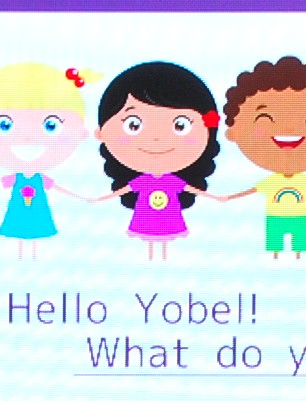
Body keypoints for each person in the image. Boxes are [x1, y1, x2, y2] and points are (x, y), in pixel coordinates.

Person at [218, 56, 306, 259]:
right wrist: (228, 198)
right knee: (275, 243)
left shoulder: (304, 181)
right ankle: (277, 259)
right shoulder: (272, 181)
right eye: (264, 119)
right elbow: (250, 191)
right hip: (275, 218)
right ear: (233, 133)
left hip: (300, 219)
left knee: (299, 243)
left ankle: (297, 259)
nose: (289, 128)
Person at [0, 62, 101, 260]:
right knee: (21, 232)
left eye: (51, 125)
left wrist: (83, 198)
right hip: (20, 212)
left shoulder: (38, 179)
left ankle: (32, 257)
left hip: (36, 212)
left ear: (81, 133)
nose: (27, 138)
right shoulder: (19, 178)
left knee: (35, 233)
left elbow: (60, 188)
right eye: (4, 125)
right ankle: (23, 257)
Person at [94, 61, 223, 259]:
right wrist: (98, 199)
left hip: (167, 215)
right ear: (101, 133)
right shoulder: (143, 182)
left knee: (165, 235)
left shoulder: (172, 182)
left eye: (180, 125)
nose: (156, 138)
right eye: (133, 125)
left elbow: (191, 189)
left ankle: (161, 256)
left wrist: (217, 198)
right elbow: (124, 190)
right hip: (147, 214)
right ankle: (152, 257)